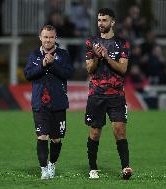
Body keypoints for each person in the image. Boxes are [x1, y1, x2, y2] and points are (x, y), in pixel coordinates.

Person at [84, 8, 133, 180]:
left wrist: (106, 57)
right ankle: (93, 169)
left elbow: (123, 69)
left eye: (104, 20)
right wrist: (97, 57)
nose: (100, 23)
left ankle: (126, 167)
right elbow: (90, 69)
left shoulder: (122, 43)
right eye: (99, 20)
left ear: (112, 22)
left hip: (116, 95)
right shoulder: (91, 42)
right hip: (96, 94)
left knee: (120, 130)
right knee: (95, 132)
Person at [24, 25, 73, 179]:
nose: (48, 40)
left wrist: (52, 64)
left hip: (58, 103)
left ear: (55, 38)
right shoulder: (34, 55)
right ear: (40, 38)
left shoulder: (63, 55)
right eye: (45, 37)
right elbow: (28, 74)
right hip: (40, 103)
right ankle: (44, 168)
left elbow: (68, 73)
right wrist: (43, 64)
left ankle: (52, 164)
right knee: (42, 136)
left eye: (51, 37)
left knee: (56, 139)